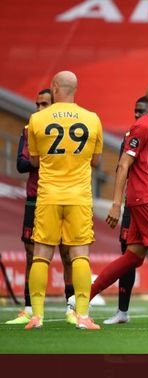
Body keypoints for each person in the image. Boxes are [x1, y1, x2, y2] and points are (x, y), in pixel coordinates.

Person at [80, 82, 148, 328]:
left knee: (133, 256)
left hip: (147, 198)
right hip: (147, 199)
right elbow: (123, 165)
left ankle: (80, 299)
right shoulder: (141, 127)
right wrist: (116, 203)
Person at [25, 71, 103, 330]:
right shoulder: (92, 119)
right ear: (75, 89)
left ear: (55, 88)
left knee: (41, 255)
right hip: (79, 196)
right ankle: (82, 316)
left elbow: (34, 161)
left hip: (48, 195)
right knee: (80, 255)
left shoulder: (37, 119)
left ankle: (36, 316)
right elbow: (95, 161)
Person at [6, 89, 77, 326]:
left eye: (44, 104)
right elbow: (21, 163)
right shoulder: (30, 129)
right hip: (35, 197)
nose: (38, 109)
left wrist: (44, 158)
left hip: (63, 195)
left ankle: (72, 308)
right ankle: (29, 310)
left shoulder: (67, 128)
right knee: (31, 254)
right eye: (37, 104)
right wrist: (46, 157)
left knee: (68, 253)